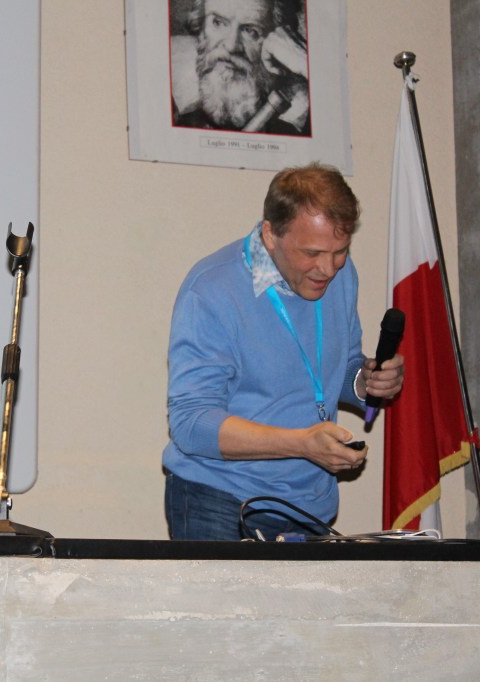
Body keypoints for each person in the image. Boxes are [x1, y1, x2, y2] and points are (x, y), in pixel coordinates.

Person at [163, 163, 405, 541]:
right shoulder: (211, 289)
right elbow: (191, 424)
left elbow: (336, 369)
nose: (328, 269)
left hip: (309, 504)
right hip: (219, 500)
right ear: (270, 235)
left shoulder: (343, 275)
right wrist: (301, 444)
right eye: (312, 252)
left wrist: (365, 381)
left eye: (340, 251)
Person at [171, 0, 310, 136]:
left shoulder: (293, 136)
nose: (231, 46)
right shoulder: (176, 125)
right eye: (218, 22)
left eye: (250, 31)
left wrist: (304, 62)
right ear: (201, 29)